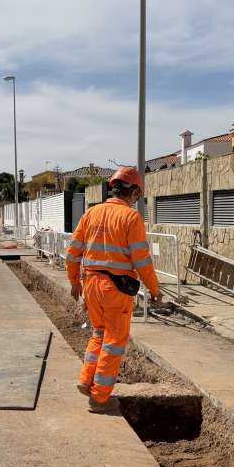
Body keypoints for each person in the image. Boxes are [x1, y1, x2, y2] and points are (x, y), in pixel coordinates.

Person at [65, 167, 162, 413]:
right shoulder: (130, 217)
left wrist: (74, 281)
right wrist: (154, 288)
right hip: (115, 288)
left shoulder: (91, 213)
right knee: (114, 341)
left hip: (91, 283)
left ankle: (86, 379)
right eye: (138, 194)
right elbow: (141, 259)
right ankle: (100, 398)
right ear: (133, 192)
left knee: (99, 333)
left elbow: (73, 251)